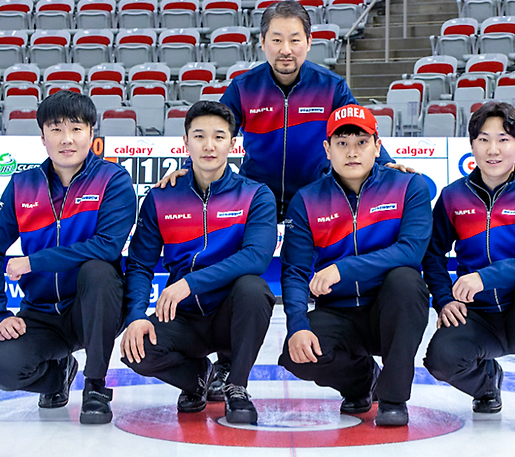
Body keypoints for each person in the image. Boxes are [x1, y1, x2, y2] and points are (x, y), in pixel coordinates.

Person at [158, 0, 408, 401]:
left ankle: (345, 338)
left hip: (316, 196)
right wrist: (184, 169)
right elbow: (212, 133)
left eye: (294, 39)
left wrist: (390, 163)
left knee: (318, 271)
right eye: (277, 39)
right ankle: (225, 360)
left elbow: (355, 133)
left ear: (309, 43)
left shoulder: (331, 87)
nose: (285, 48)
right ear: (263, 43)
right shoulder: (244, 87)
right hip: (257, 195)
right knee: (231, 268)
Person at [0, 90, 137, 425]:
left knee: (98, 270)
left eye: (76, 129)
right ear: (42, 137)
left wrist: (33, 261)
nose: (67, 139)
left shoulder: (113, 179)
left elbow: (107, 246)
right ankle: (60, 372)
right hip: (41, 314)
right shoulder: (23, 186)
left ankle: (95, 386)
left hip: (93, 309)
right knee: (4, 371)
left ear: (92, 134)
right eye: (56, 129)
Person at [120, 101, 277, 424]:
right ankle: (198, 378)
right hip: (184, 317)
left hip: (229, 313)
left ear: (233, 144)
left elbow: (256, 257)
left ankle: (236, 385)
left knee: (254, 288)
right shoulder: (162, 197)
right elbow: (139, 264)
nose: (209, 146)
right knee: (135, 349)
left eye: (219, 137)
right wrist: (136, 315)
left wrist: (189, 283)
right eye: (199, 136)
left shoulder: (255, 195)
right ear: (185, 142)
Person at [277, 104, 432, 426]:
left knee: (406, 280)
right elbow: (293, 271)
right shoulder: (307, 200)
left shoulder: (408, 186)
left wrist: (343, 268)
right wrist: (298, 325)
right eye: (342, 143)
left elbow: (410, 251)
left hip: (390, 309)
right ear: (327, 149)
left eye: (361, 142)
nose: (352, 152)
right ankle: (363, 381)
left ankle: (393, 398)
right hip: (338, 311)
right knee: (297, 357)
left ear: (378, 146)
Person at [422, 101, 515, 430]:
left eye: (503, 139)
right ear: (472, 145)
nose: (493, 149)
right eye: (484, 139)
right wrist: (444, 299)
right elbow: (432, 254)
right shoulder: (452, 197)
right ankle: (487, 384)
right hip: (479, 317)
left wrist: (484, 278)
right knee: (439, 359)